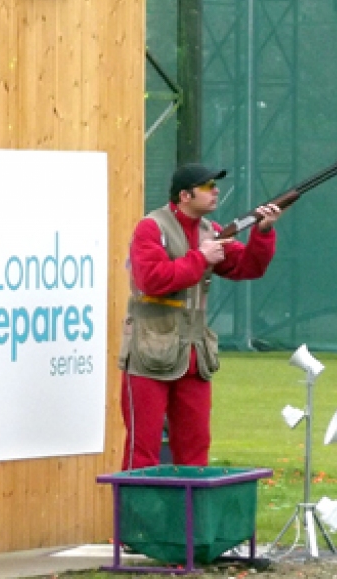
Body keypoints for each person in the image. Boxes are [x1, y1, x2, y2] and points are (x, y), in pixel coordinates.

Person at [118, 162, 284, 469]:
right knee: (143, 451)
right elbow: (151, 279)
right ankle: (137, 517)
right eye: (208, 186)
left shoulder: (212, 231)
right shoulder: (151, 228)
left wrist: (263, 231)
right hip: (149, 352)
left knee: (195, 450)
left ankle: (190, 517)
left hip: (193, 356)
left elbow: (248, 267)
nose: (216, 191)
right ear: (185, 195)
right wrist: (200, 258)